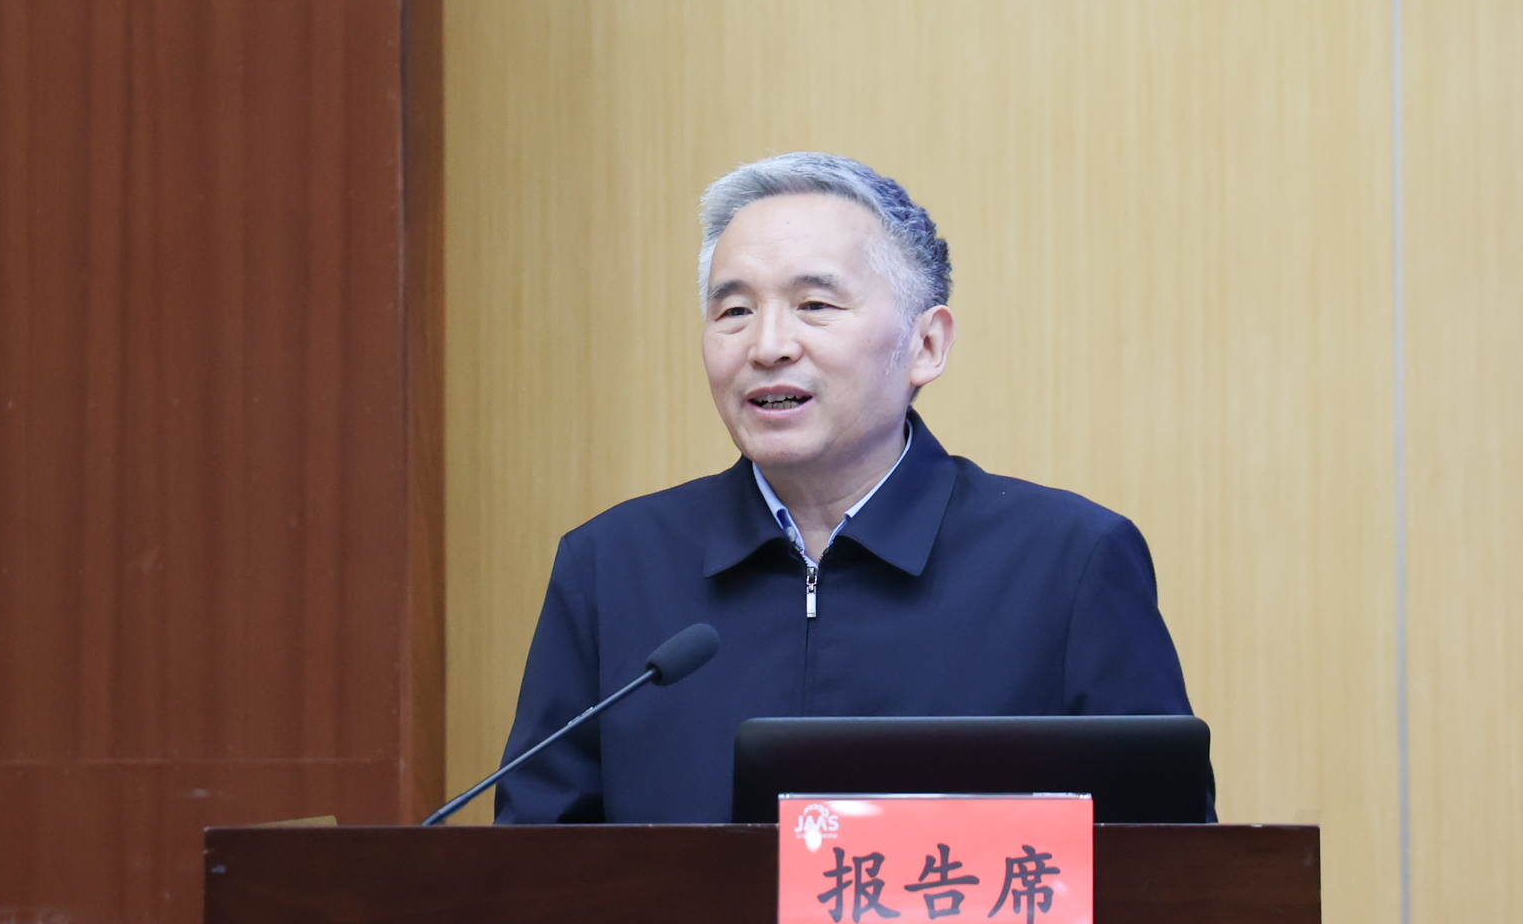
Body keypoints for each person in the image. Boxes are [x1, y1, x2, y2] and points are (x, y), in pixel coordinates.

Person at [493, 152, 1198, 824]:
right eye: (733, 311)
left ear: (926, 345)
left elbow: (1171, 868)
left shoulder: (1067, 563)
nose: (767, 345)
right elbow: (536, 865)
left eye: (815, 305)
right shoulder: (612, 568)